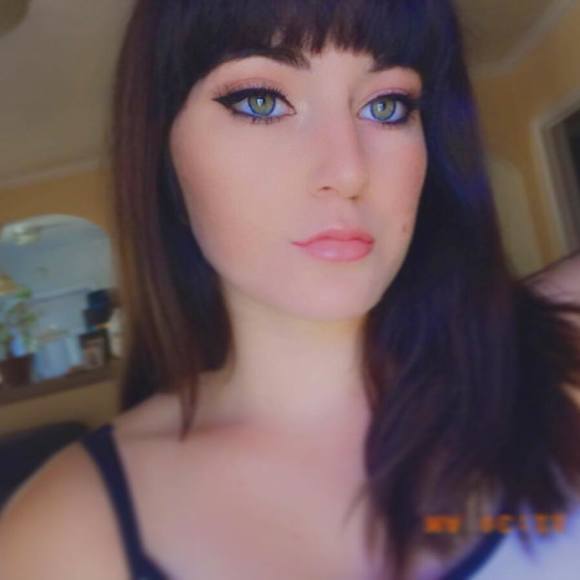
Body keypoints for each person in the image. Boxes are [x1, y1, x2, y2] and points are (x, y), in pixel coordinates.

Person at [2, 1, 580, 578]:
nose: (348, 171)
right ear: (164, 153)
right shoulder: (65, 535)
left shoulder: (556, 352)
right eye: (261, 101)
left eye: (386, 105)